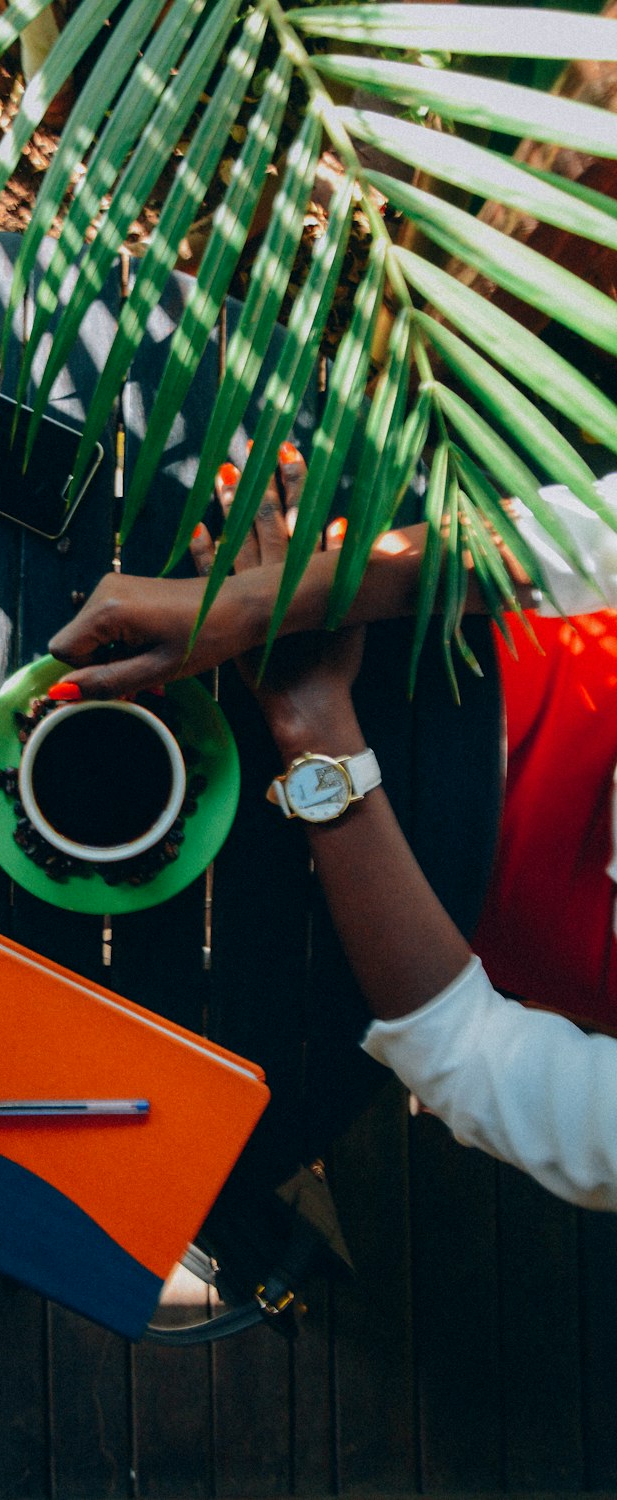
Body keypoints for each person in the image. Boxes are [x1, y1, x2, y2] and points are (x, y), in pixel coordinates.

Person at [48, 450, 617, 1212]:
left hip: (375, 893)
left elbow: (469, 1057)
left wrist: (311, 719)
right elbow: (576, 536)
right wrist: (271, 601)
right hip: (416, 616)